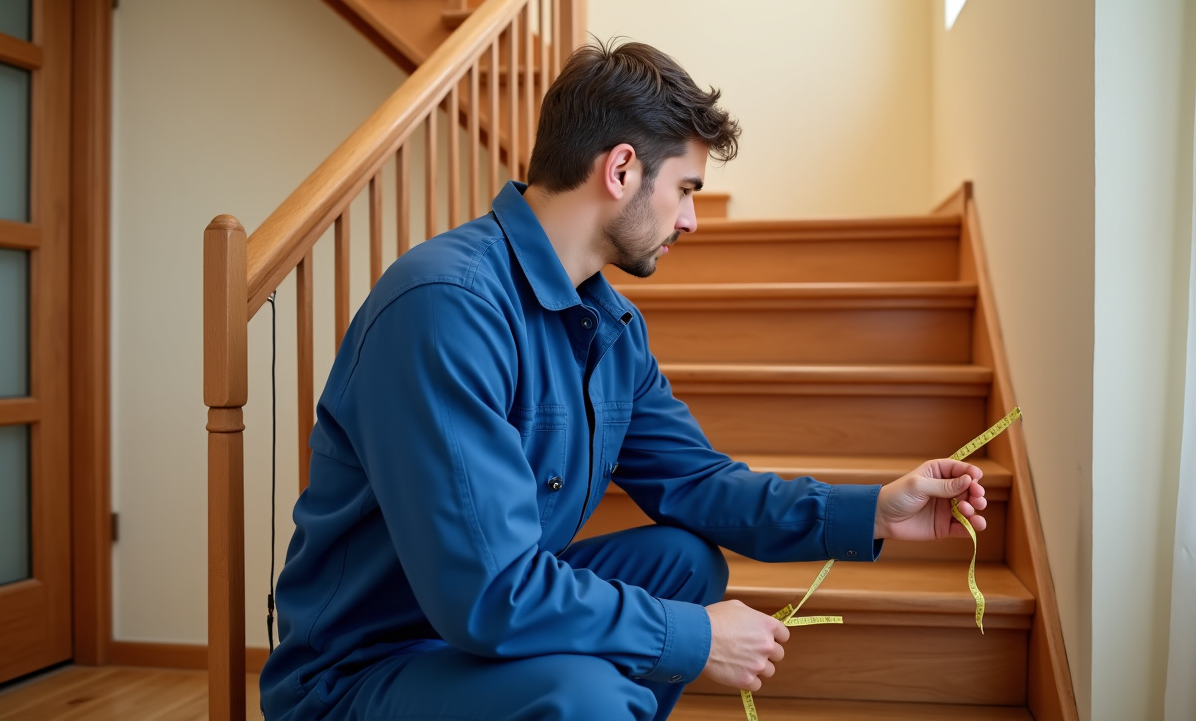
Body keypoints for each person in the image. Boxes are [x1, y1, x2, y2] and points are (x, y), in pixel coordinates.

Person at [258, 40, 988, 721]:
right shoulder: (445, 306)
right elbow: (486, 592)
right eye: (687, 189)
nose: (693, 220)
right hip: (362, 669)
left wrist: (875, 512)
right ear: (621, 170)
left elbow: (698, 485)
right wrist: (694, 638)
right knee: (592, 696)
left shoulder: (609, 327)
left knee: (682, 560)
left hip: (473, 628)